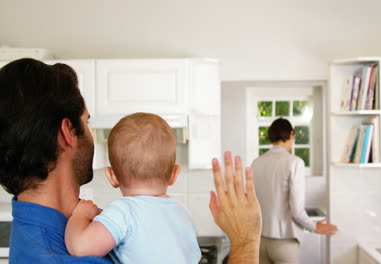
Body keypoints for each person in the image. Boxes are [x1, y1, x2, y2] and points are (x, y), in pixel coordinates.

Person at [0, 58, 262, 264]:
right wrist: (246, 240)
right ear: (67, 133)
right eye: (86, 121)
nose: (91, 134)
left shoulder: (52, 229)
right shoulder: (63, 255)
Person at [65, 113, 201, 263]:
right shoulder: (184, 214)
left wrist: (80, 216)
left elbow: (80, 248)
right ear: (174, 174)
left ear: (112, 176)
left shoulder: (123, 211)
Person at [251, 117, 337, 264]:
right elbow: (296, 211)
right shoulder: (295, 163)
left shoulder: (256, 163)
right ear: (291, 134)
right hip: (284, 243)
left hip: (259, 242)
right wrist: (314, 226)